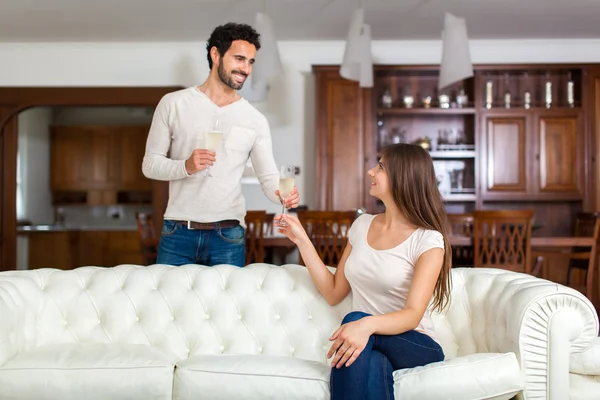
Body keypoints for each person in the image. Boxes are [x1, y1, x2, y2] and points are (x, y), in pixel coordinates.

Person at [275, 143, 452, 399]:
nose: (370, 171)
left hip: (415, 344)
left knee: (355, 322)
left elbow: (413, 315)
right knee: (371, 361)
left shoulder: (427, 240)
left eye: (380, 166)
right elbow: (335, 291)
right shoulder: (362, 225)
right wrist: (301, 239)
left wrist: (365, 325)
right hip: (367, 343)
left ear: (402, 177)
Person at [142, 22, 299, 268]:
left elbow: (268, 178)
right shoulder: (173, 104)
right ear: (216, 55)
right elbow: (150, 165)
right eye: (239, 59)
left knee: (226, 308)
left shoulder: (254, 120)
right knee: (171, 307)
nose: (246, 69)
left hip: (228, 237)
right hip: (177, 233)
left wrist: (282, 193)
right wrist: (186, 166)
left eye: (250, 62)